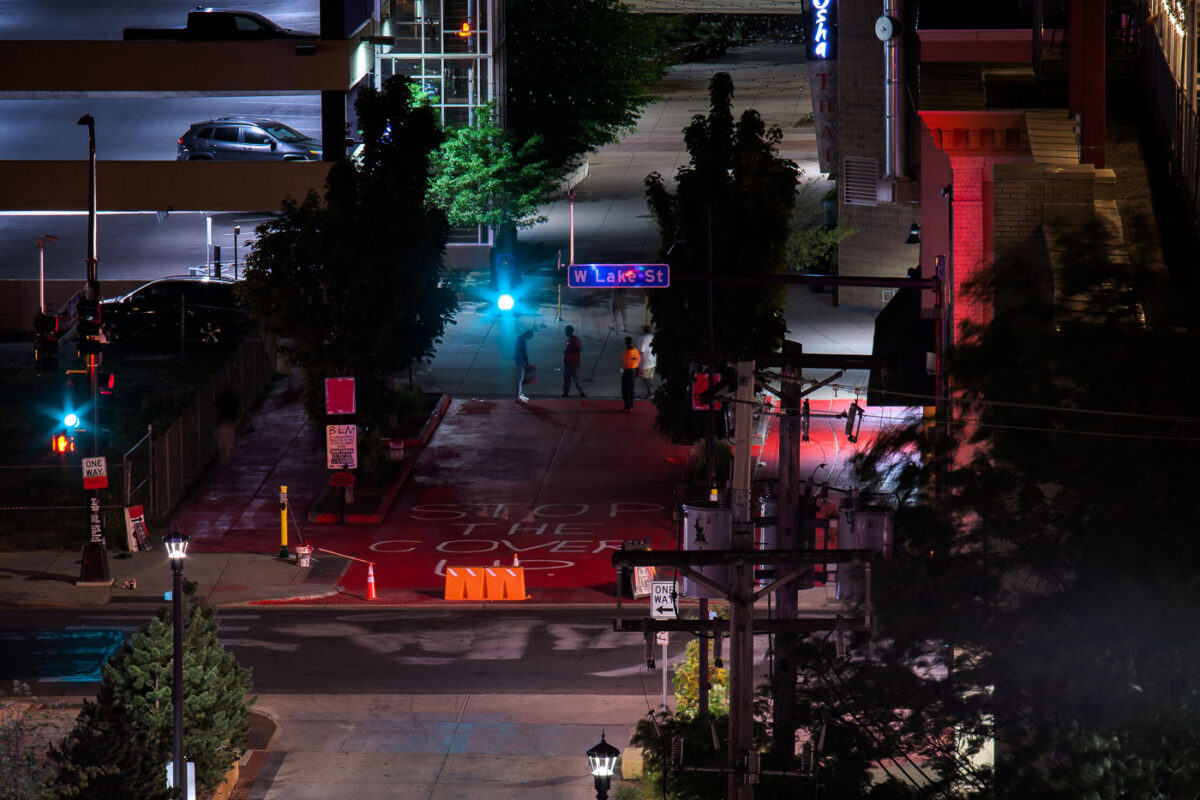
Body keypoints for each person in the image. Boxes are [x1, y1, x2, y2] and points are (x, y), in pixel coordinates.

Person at [562, 325, 586, 398]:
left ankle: (581, 391)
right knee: (567, 377)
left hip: (574, 361)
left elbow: (578, 349)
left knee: (576, 377)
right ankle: (566, 392)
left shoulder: (575, 340)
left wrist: (568, 352)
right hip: (568, 361)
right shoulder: (569, 340)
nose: (565, 332)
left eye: (566, 331)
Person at [620, 335, 640, 411]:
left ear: (626, 343)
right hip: (634, 370)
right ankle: (631, 405)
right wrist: (637, 370)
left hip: (627, 371)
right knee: (631, 389)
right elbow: (638, 360)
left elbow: (622, 362)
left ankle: (628, 406)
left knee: (625, 389)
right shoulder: (636, 350)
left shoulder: (625, 352)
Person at [636, 324, 656, 399]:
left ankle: (650, 392)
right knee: (650, 377)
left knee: (646, 378)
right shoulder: (652, 337)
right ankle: (650, 392)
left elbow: (641, 350)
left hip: (645, 361)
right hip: (652, 360)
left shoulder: (643, 339)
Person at [514, 329, 533, 403]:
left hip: (518, 359)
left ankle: (520, 394)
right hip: (520, 360)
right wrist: (527, 362)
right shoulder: (523, 340)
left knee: (520, 378)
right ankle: (518, 396)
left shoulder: (520, 338)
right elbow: (524, 351)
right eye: (530, 337)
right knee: (519, 379)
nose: (529, 339)